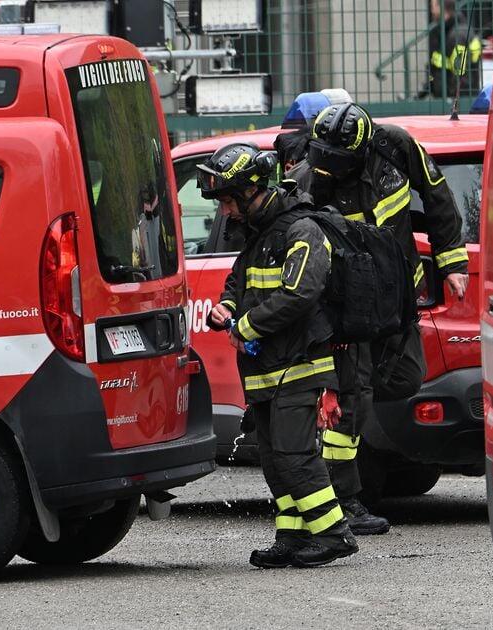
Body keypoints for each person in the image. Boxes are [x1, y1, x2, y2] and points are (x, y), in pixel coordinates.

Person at [275, 102, 470, 531]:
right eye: (320, 154)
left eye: (336, 159)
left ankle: (346, 416)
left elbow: (436, 193)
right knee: (354, 394)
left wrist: (452, 262)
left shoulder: (395, 146)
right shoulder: (308, 179)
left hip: (396, 296)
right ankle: (344, 498)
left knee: (406, 378)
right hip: (349, 305)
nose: (326, 165)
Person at [197, 142, 359, 569]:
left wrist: (246, 327)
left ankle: (333, 533)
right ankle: (291, 535)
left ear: (253, 190)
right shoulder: (257, 235)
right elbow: (238, 281)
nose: (226, 211)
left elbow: (301, 293)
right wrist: (227, 309)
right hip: (268, 370)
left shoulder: (301, 230)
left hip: (301, 365)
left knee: (294, 454)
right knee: (273, 459)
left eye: (229, 200)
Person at [426, 0, 483, 98]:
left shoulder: (458, 35)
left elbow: (460, 74)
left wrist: (453, 99)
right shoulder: (444, 32)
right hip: (447, 98)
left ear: (442, 8)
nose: (432, 11)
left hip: (457, 101)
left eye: (433, 7)